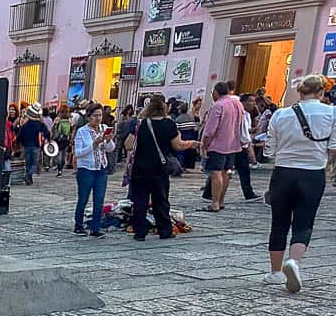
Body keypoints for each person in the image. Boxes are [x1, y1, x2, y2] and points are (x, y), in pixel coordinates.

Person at [265, 75, 336, 293]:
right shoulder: (334, 112)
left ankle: (275, 272)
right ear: (321, 92)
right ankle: (294, 262)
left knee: (279, 222)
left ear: (299, 92)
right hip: (313, 173)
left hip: (283, 172)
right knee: (304, 221)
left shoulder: (280, 114)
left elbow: (269, 149)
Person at [127, 95, 198, 242]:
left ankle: (139, 232)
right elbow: (178, 145)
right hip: (159, 168)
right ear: (165, 107)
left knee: (140, 201)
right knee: (161, 200)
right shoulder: (169, 124)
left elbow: (128, 145)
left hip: (140, 168)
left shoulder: (140, 124)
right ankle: (164, 230)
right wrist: (191, 143)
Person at [200, 81, 246, 212]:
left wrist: (204, 143)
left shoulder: (218, 105)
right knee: (226, 173)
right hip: (233, 143)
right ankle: (221, 200)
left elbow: (210, 129)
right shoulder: (237, 103)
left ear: (215, 92)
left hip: (218, 144)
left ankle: (214, 202)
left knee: (216, 173)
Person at [72, 105, 114, 238]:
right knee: (83, 198)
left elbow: (110, 149)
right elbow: (78, 153)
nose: (98, 118)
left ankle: (95, 227)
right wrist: (93, 144)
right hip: (86, 169)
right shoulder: (82, 131)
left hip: (101, 168)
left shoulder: (104, 128)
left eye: (100, 115)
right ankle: (78, 225)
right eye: (95, 115)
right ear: (89, 116)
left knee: (99, 199)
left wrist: (108, 141)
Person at [17, 104, 48, 184]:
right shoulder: (40, 124)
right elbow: (47, 133)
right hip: (36, 146)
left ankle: (29, 177)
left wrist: (18, 144)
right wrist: (48, 140)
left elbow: (20, 136)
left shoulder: (25, 125)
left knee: (28, 163)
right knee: (34, 163)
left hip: (26, 146)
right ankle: (28, 176)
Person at [53, 106, 72, 176]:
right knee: (63, 155)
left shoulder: (57, 119)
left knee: (59, 155)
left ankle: (59, 168)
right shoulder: (70, 120)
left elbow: (53, 128)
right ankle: (60, 168)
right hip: (65, 139)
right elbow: (71, 130)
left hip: (58, 139)